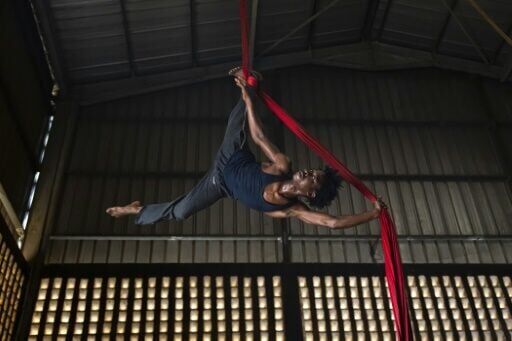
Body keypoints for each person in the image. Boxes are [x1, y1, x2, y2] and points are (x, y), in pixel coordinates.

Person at [107, 69, 384, 229]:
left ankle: (136, 209)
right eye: (312, 170)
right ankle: (251, 83)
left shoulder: (292, 209)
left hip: (221, 185)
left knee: (180, 212)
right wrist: (250, 99)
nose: (309, 171)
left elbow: (332, 223)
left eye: (313, 177)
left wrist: (373, 214)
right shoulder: (282, 165)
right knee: (238, 120)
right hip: (233, 155)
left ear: (311, 192)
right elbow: (259, 135)